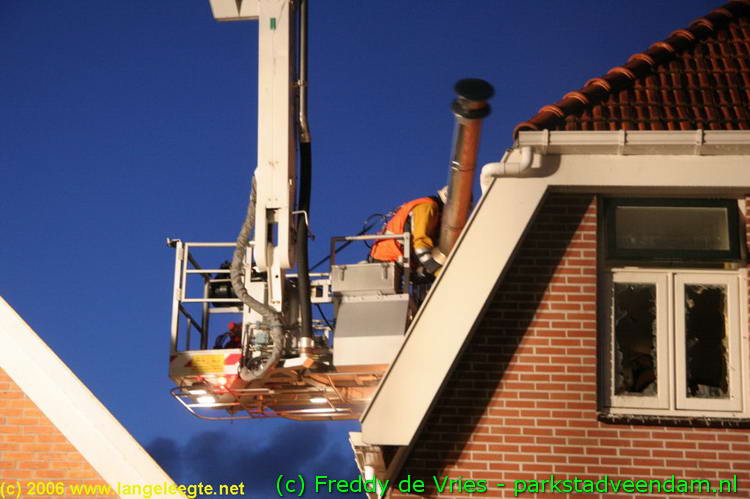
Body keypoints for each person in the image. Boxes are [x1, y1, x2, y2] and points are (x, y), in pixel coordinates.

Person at [369, 187, 447, 276]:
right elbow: (421, 243)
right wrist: (435, 269)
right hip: (388, 257)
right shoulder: (427, 207)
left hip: (396, 258)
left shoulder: (434, 212)